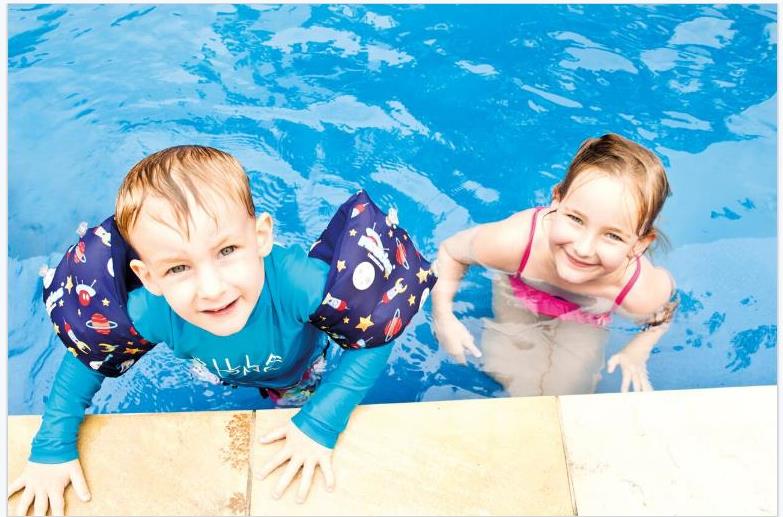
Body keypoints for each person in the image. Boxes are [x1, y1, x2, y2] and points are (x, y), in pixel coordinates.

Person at [9, 145, 437, 515]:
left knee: (295, 408)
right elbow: (88, 360)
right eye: (178, 267)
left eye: (227, 250)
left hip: (301, 369)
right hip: (222, 369)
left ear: (262, 236)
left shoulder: (298, 283)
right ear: (148, 276)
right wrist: (52, 447)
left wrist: (320, 422)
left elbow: (374, 339)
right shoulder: (150, 310)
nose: (211, 289)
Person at [431, 133, 678, 397]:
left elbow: (663, 315)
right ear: (557, 200)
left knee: (570, 390)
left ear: (640, 244)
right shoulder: (516, 242)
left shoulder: (637, 290)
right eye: (575, 219)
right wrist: (443, 316)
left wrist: (637, 350)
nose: (583, 249)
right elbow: (451, 252)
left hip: (587, 317)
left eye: (613, 235)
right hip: (520, 295)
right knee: (511, 373)